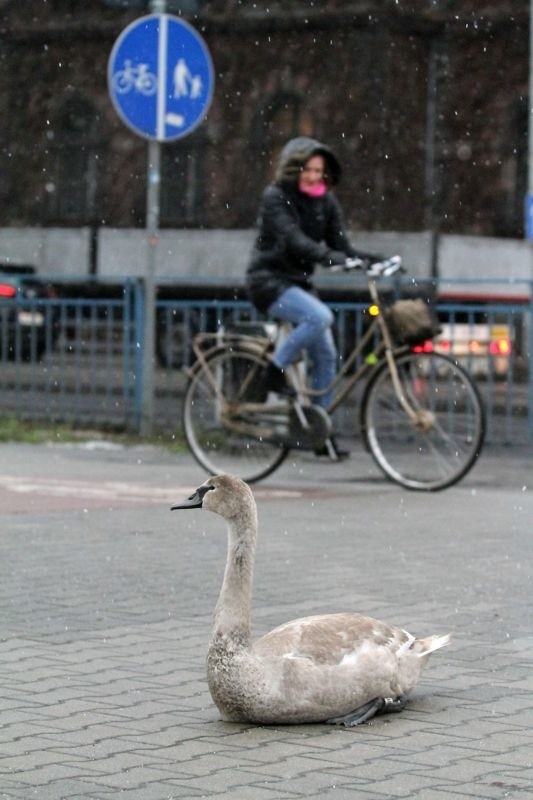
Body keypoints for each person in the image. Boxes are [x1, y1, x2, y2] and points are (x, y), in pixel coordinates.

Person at [246, 136, 384, 459]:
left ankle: (319, 434)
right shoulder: (276, 197)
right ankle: (274, 369)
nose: (313, 176)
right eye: (306, 169)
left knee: (327, 355)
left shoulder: (326, 202)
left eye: (319, 171)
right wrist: (326, 256)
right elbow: (293, 239)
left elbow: (342, 247)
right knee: (321, 317)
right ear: (294, 169)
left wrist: (371, 259)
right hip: (268, 281)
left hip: (299, 284)